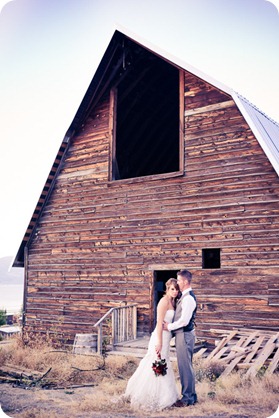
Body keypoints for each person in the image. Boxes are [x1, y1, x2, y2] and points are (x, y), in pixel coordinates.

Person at [124, 278, 180, 411]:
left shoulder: (173, 302)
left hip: (167, 337)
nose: (175, 292)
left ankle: (166, 395)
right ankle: (149, 395)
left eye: (177, 289)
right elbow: (159, 323)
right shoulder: (163, 302)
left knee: (164, 362)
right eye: (172, 289)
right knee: (156, 362)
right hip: (159, 337)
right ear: (167, 289)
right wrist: (159, 342)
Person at [163, 269, 197, 407]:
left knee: (185, 367)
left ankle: (187, 398)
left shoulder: (188, 299)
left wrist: (169, 327)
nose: (177, 282)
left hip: (184, 335)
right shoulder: (184, 296)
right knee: (186, 366)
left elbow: (184, 321)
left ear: (184, 281)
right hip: (182, 335)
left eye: (178, 280)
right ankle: (191, 396)